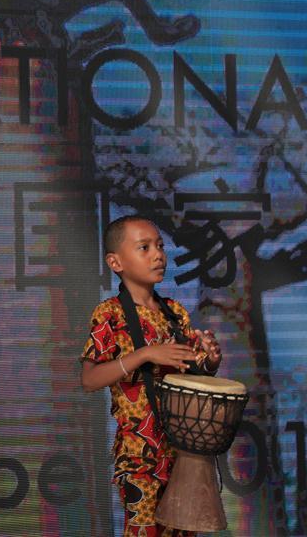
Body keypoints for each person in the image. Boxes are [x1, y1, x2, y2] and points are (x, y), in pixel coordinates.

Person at [80, 215, 222, 537]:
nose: (158, 254)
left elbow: (193, 375)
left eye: (159, 246)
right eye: (144, 248)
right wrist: (145, 354)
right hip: (139, 454)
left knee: (184, 532)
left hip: (184, 450)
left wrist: (209, 361)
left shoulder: (175, 312)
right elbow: (89, 379)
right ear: (115, 262)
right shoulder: (110, 314)